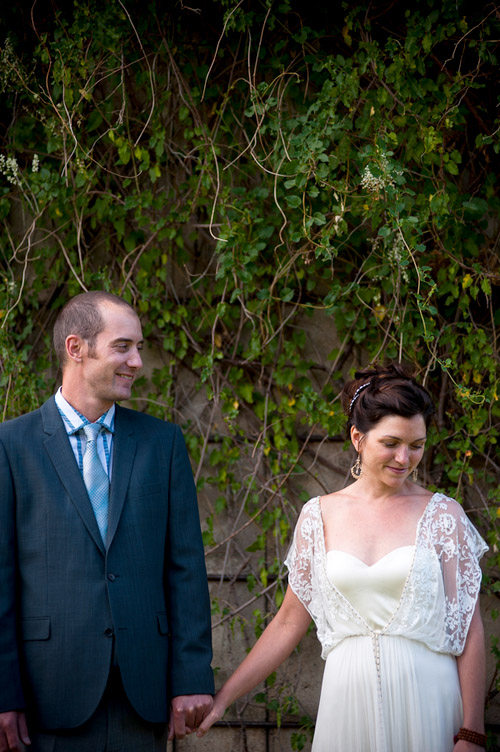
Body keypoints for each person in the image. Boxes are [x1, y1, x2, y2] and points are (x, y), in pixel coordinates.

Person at [197, 363, 488, 752]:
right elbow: (286, 623)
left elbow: (469, 628)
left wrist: (472, 730)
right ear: (357, 437)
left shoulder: (444, 515)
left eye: (416, 445)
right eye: (391, 443)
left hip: (428, 697)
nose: (404, 457)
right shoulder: (317, 516)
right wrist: (223, 700)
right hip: (347, 702)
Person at [0, 291, 214, 751]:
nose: (137, 361)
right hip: (47, 696)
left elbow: (186, 570)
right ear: (76, 348)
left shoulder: (163, 444)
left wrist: (192, 676)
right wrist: (3, 692)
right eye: (123, 346)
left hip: (143, 694)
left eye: (138, 347)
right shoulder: (10, 445)